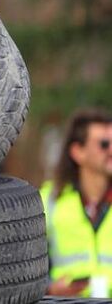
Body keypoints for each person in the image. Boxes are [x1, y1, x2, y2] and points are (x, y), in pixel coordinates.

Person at [41, 109, 112, 297]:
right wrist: (48, 288)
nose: (111, 150)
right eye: (104, 144)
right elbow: (21, 260)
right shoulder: (49, 200)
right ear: (78, 152)